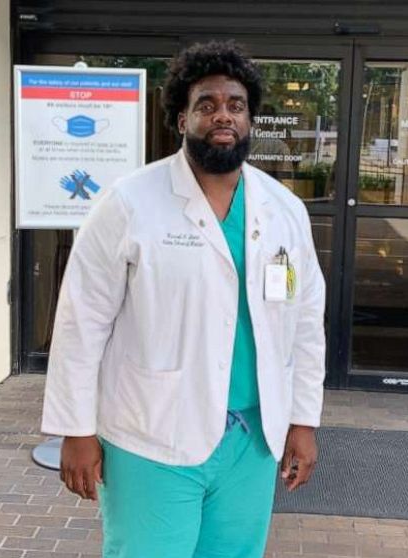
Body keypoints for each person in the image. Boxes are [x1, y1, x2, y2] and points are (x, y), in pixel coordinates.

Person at [40, 40, 326, 558]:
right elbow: (81, 322)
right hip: (153, 433)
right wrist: (75, 430)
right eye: (207, 104)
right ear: (180, 119)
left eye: (236, 106)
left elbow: (305, 324)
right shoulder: (129, 203)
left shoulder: (284, 211)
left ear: (251, 120)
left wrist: (302, 422)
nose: (223, 116)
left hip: (253, 439)